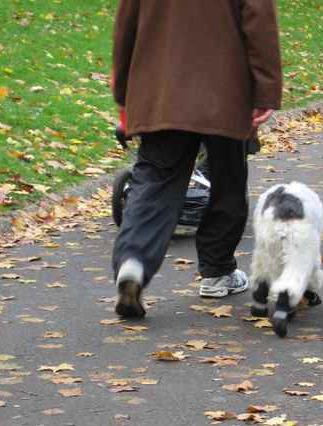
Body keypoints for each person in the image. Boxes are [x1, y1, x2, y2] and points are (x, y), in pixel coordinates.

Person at [111, 0, 283, 319]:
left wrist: (123, 90)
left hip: (161, 89)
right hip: (226, 90)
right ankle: (217, 271)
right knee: (227, 180)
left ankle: (133, 260)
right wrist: (266, 90)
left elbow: (126, 26)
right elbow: (259, 21)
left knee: (154, 181)